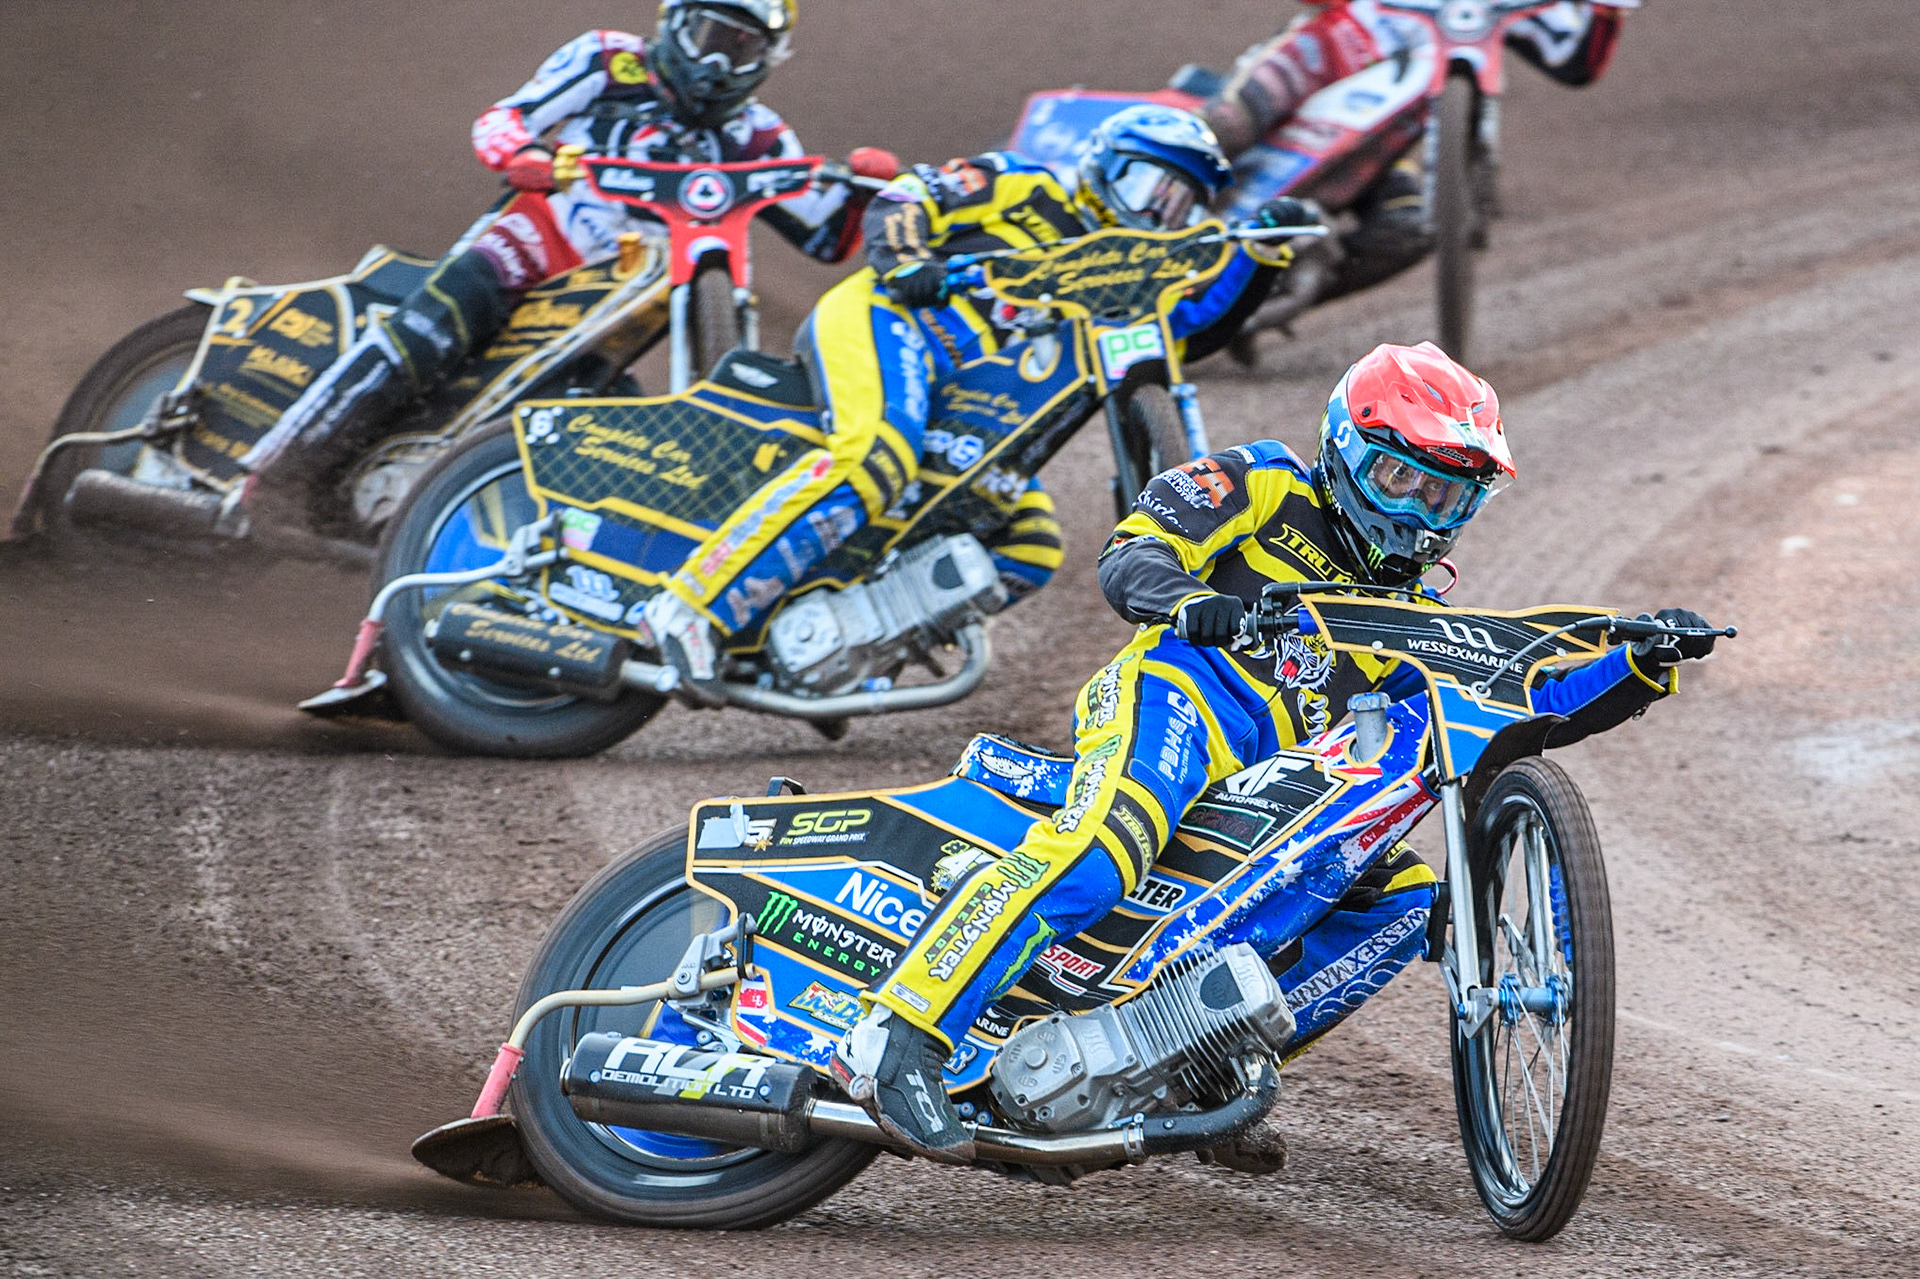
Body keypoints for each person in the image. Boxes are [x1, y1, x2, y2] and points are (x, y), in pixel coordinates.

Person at [832, 340, 1717, 1163]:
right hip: (1177, 700)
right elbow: (1130, 552)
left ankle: (1199, 1069)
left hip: (1275, 791)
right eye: (1399, 480)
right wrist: (1187, 600)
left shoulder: (1421, 621)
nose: (1417, 513)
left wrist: (1639, 666)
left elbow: (1525, 711)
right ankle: (900, 1035)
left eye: (1444, 496)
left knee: (1404, 899)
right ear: (1343, 447)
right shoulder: (1262, 479)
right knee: (1104, 853)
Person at [640, 103, 1313, 702]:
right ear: (1104, 164)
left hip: (967, 409)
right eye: (1149, 185)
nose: (1158, 212)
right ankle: (689, 608)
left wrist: (1262, 255)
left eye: (1179, 203)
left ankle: (840, 650)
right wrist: (904, 258)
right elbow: (912, 191)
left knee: (1031, 544)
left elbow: (1194, 324)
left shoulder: (1134, 281)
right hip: (890, 320)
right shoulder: (1028, 184)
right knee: (876, 457)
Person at [244, 1, 887, 498]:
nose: (719, 62)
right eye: (710, 38)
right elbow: (505, 118)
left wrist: (869, 191)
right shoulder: (609, 61)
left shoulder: (759, 135)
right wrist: (522, 156)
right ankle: (278, 468)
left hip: (634, 297)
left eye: (742, 48)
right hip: (540, 239)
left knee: (620, 426)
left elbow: (828, 236)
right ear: (674, 23)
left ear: (769, 58)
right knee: (442, 315)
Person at [1203, 0, 1631, 306]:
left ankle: (1253, 304)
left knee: (1407, 229)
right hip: (1320, 61)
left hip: (1383, 139)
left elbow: (1573, 61)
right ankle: (1144, 217)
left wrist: (1606, 12)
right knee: (1227, 124)